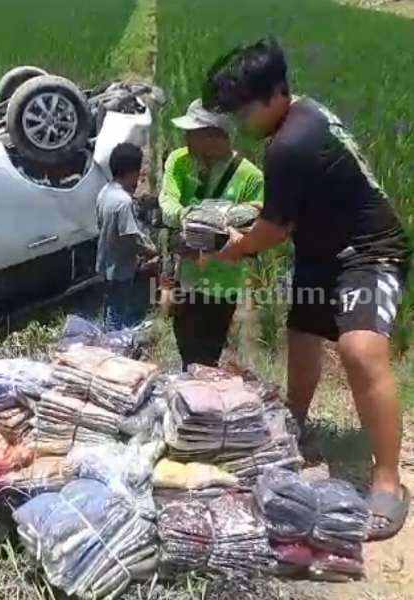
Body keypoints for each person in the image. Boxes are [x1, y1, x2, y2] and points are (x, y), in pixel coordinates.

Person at [206, 38, 412, 540]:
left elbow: (273, 233)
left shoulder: (290, 143)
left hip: (369, 250)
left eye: (244, 111)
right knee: (302, 338)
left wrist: (234, 248)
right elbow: (288, 207)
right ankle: (295, 424)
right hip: (322, 248)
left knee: (360, 351)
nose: (241, 123)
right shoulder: (303, 114)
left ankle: (388, 481)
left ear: (276, 94)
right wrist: (255, 219)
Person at [159, 98, 265, 370]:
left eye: (193, 133)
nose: (186, 138)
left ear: (216, 136)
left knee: (207, 356)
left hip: (222, 283)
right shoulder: (179, 160)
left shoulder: (251, 177)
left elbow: (256, 229)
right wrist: (189, 217)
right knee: (185, 350)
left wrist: (219, 233)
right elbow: (168, 203)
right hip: (185, 277)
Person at [96, 143, 157, 330]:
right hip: (120, 269)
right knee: (118, 311)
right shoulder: (123, 202)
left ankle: (107, 335)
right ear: (132, 172)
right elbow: (131, 239)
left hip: (105, 263)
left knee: (110, 307)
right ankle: (113, 342)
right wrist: (151, 251)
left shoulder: (104, 193)